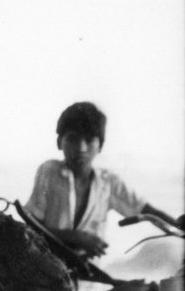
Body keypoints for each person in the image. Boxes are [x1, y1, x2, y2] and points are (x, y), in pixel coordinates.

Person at [23, 101, 181, 259]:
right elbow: (29, 227)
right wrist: (76, 237)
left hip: (91, 278)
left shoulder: (108, 182)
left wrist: (177, 224)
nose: (81, 148)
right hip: (47, 270)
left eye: (89, 140)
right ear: (59, 142)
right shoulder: (49, 172)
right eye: (72, 139)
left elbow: (146, 211)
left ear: (100, 145)